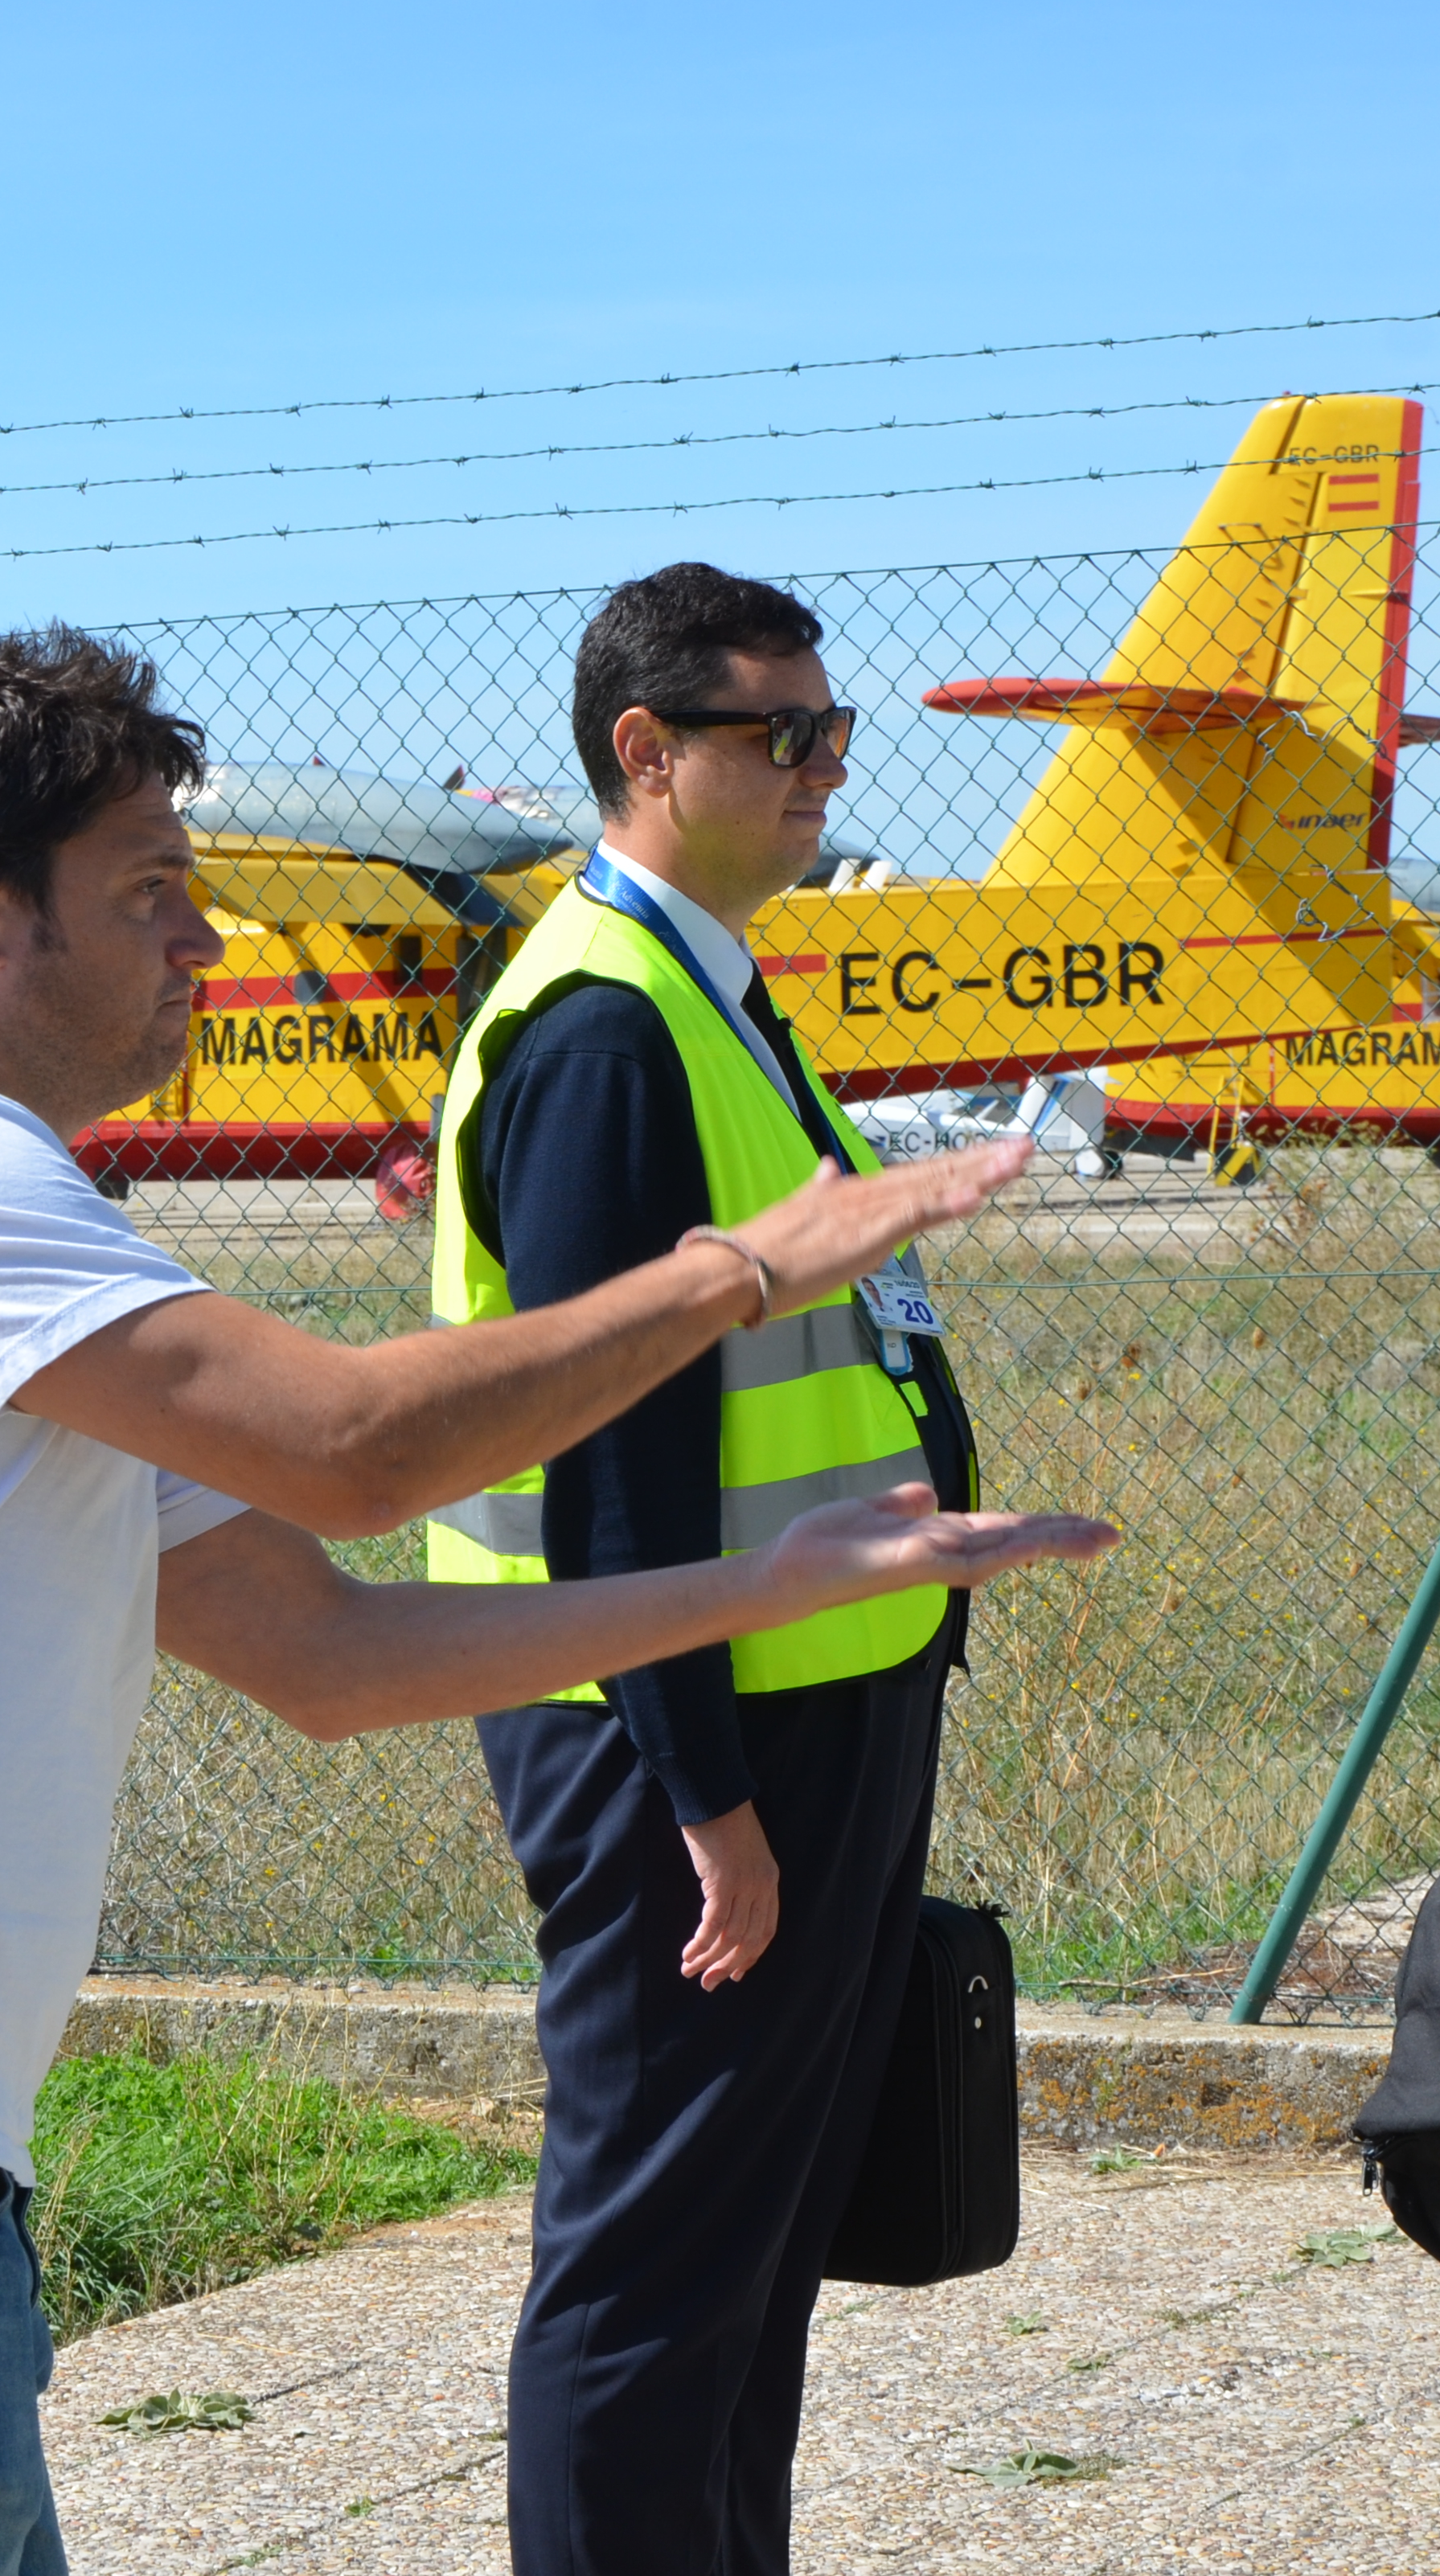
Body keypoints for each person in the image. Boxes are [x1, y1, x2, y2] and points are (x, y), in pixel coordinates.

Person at [0, 625, 1115, 2576]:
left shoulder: (20, 1238)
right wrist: (730, 1276)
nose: (205, 941)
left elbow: (329, 1651)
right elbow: (355, 1448)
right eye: (153, 892)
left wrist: (751, 1584)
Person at [421, 562, 982, 2574]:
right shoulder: (600, 1027)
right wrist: (706, 1798)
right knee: (654, 2265)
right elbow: (608, 1454)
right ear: (643, 754)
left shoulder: (712, 994)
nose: (828, 770)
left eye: (834, 731)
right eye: (786, 734)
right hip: (678, 1730)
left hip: (804, 1696)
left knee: (748, 2255)